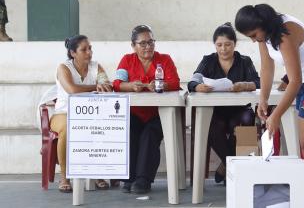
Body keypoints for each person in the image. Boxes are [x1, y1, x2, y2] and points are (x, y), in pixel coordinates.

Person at [235, 4, 304, 208]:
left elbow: (295, 81)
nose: (254, 39)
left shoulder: (285, 33)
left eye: (254, 34)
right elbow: (267, 67)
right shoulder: (264, 34)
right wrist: (263, 99)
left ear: (263, 24)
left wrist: (276, 116)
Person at [187, 22, 260, 184]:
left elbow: (258, 82)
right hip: (216, 111)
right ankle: (233, 166)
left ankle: (225, 166)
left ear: (235, 44)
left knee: (247, 120)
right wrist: (198, 86)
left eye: (228, 44)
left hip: (239, 110)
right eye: (219, 45)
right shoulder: (208, 60)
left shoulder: (244, 61)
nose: (223, 49)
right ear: (214, 45)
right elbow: (193, 80)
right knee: (209, 124)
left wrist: (244, 85)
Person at [113, 25, 180, 194]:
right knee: (129, 131)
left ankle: (143, 179)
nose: (148, 47)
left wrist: (161, 84)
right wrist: (130, 85)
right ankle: (129, 178)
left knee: (150, 134)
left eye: (151, 42)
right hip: (134, 113)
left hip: (158, 113)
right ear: (133, 46)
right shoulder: (127, 60)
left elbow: (175, 82)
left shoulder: (164, 59)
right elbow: (117, 84)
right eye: (142, 43)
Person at [50, 35, 113, 192]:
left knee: (103, 127)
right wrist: (95, 86)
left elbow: (107, 85)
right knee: (67, 127)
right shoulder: (63, 68)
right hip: (64, 113)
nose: (89, 52)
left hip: (91, 114)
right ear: (73, 53)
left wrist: (101, 85)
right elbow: (72, 90)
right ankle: (64, 177)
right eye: (84, 49)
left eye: (90, 48)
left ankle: (97, 173)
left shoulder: (96, 67)